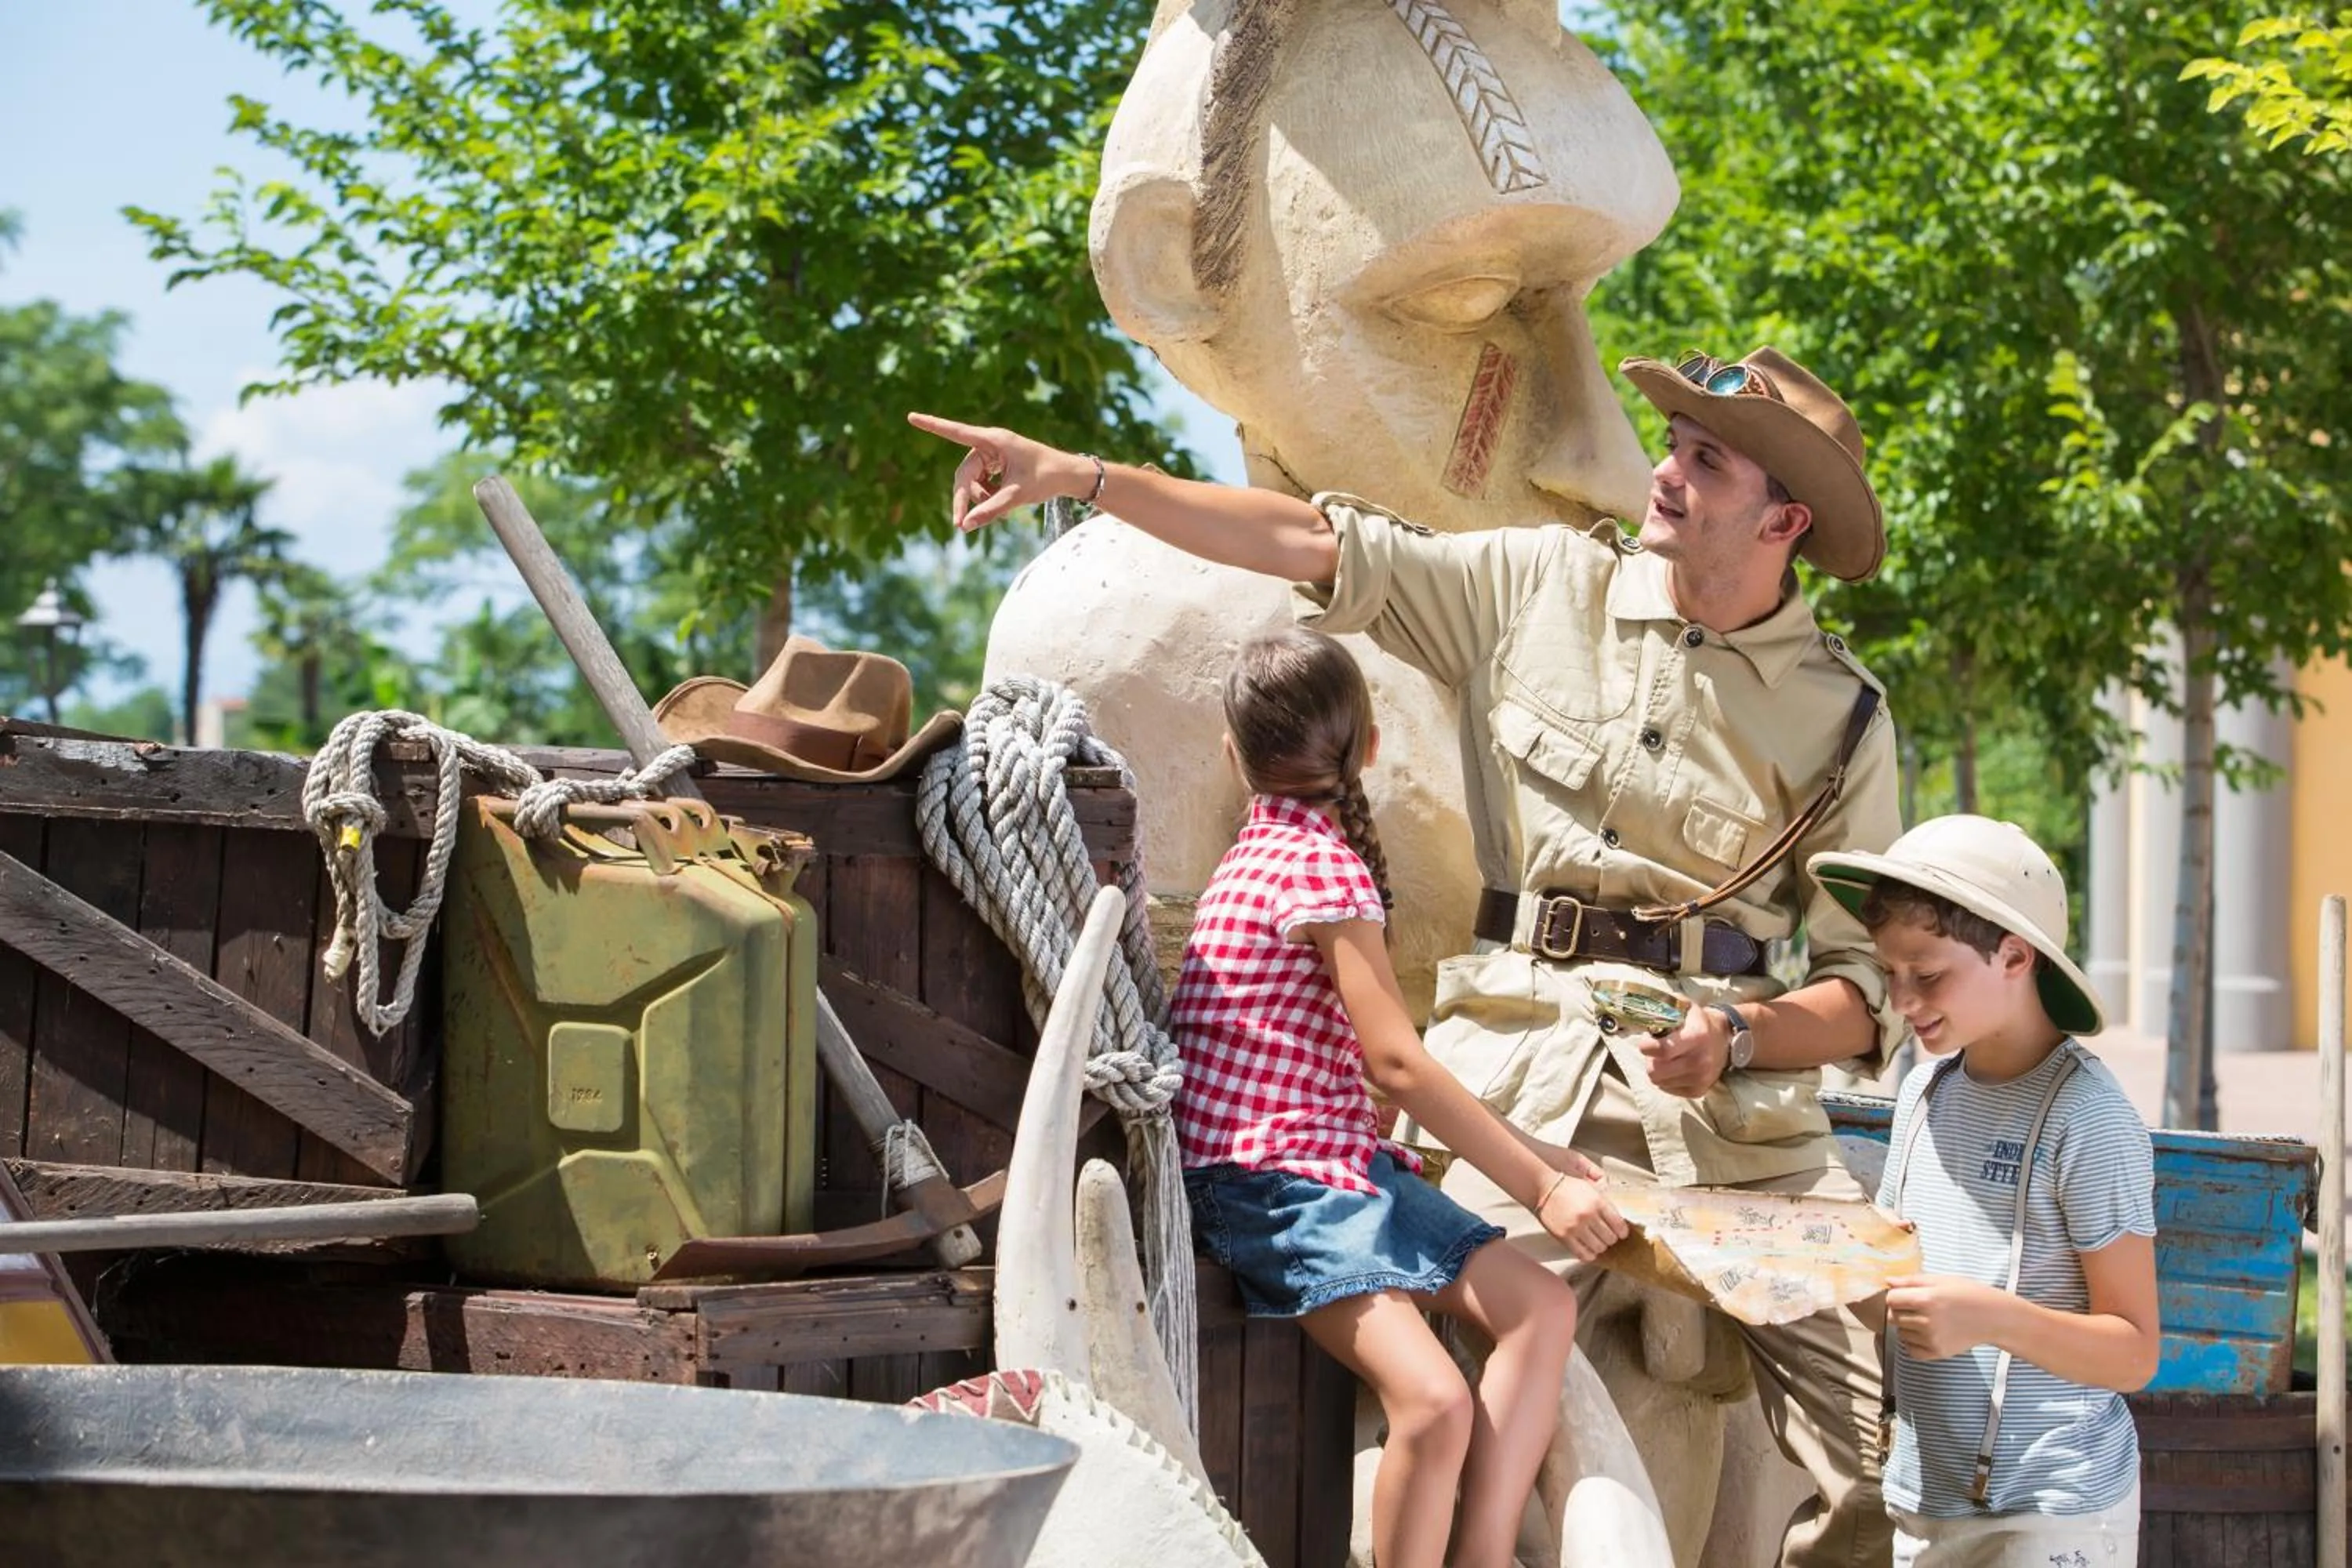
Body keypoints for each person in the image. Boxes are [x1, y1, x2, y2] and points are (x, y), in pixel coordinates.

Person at [912, 341, 1905, 1568]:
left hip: (1740, 1127)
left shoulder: (1843, 716)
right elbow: (1309, 541)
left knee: (1892, 1436)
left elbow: (1864, 993)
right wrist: (1082, 476)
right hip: (1524, 1081)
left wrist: (1743, 1034)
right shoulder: (1538, 584)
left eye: (1707, 462)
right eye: (1675, 444)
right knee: (1432, 1392)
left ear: (1785, 522)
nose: (1665, 471)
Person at [1173, 625, 1624, 1568]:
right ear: (1370, 746)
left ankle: (1482, 1552)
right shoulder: (1318, 867)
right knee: (1434, 1400)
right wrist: (1542, 1187)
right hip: (1272, 1189)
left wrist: (1538, 1150)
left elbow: (1365, 1069)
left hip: (1333, 1168)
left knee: (1540, 1304)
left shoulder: (1266, 855)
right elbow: (1398, 1064)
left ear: (1232, 754)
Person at [1809, 818, 2159, 1566]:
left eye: (1928, 974)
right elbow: (1891, 1272)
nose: (1902, 999)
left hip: (2053, 1516)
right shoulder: (1922, 1094)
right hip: (1925, 1499)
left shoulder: (2088, 1117)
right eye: (1890, 973)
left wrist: (1990, 1318)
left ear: (2014, 956)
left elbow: (2134, 1353)